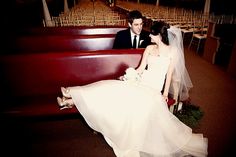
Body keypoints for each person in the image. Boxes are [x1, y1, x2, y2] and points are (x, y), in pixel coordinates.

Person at [57, 21, 208, 157]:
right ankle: (70, 95)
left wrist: (164, 93)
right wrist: (130, 75)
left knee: (124, 99)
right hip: (140, 81)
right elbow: (141, 68)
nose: (149, 35)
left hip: (153, 88)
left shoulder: (172, 52)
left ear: (160, 36)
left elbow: (169, 75)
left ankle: (70, 100)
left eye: (152, 33)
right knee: (108, 87)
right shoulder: (149, 48)